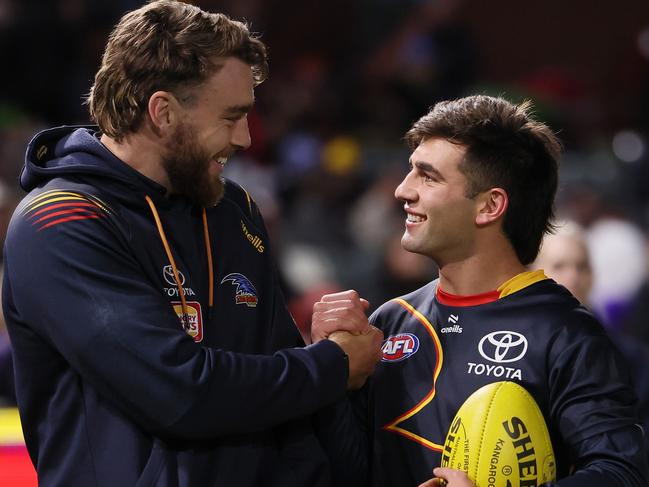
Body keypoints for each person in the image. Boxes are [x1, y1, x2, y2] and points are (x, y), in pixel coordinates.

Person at [1, 1, 383, 486]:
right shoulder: (61, 222)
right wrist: (330, 366)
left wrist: (329, 362)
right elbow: (176, 390)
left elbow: (289, 412)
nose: (245, 138)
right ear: (163, 112)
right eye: (231, 117)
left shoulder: (234, 211)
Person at [313, 95, 649, 486]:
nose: (402, 191)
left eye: (428, 176)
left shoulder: (566, 335)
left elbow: (622, 474)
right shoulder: (391, 320)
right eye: (410, 172)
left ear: (490, 206)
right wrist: (330, 371)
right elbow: (349, 472)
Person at [531, 219, 649, 463]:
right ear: (532, 274)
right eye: (559, 266)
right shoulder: (514, 353)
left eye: (582, 266)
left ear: (593, 276)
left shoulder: (633, 359)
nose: (573, 277)